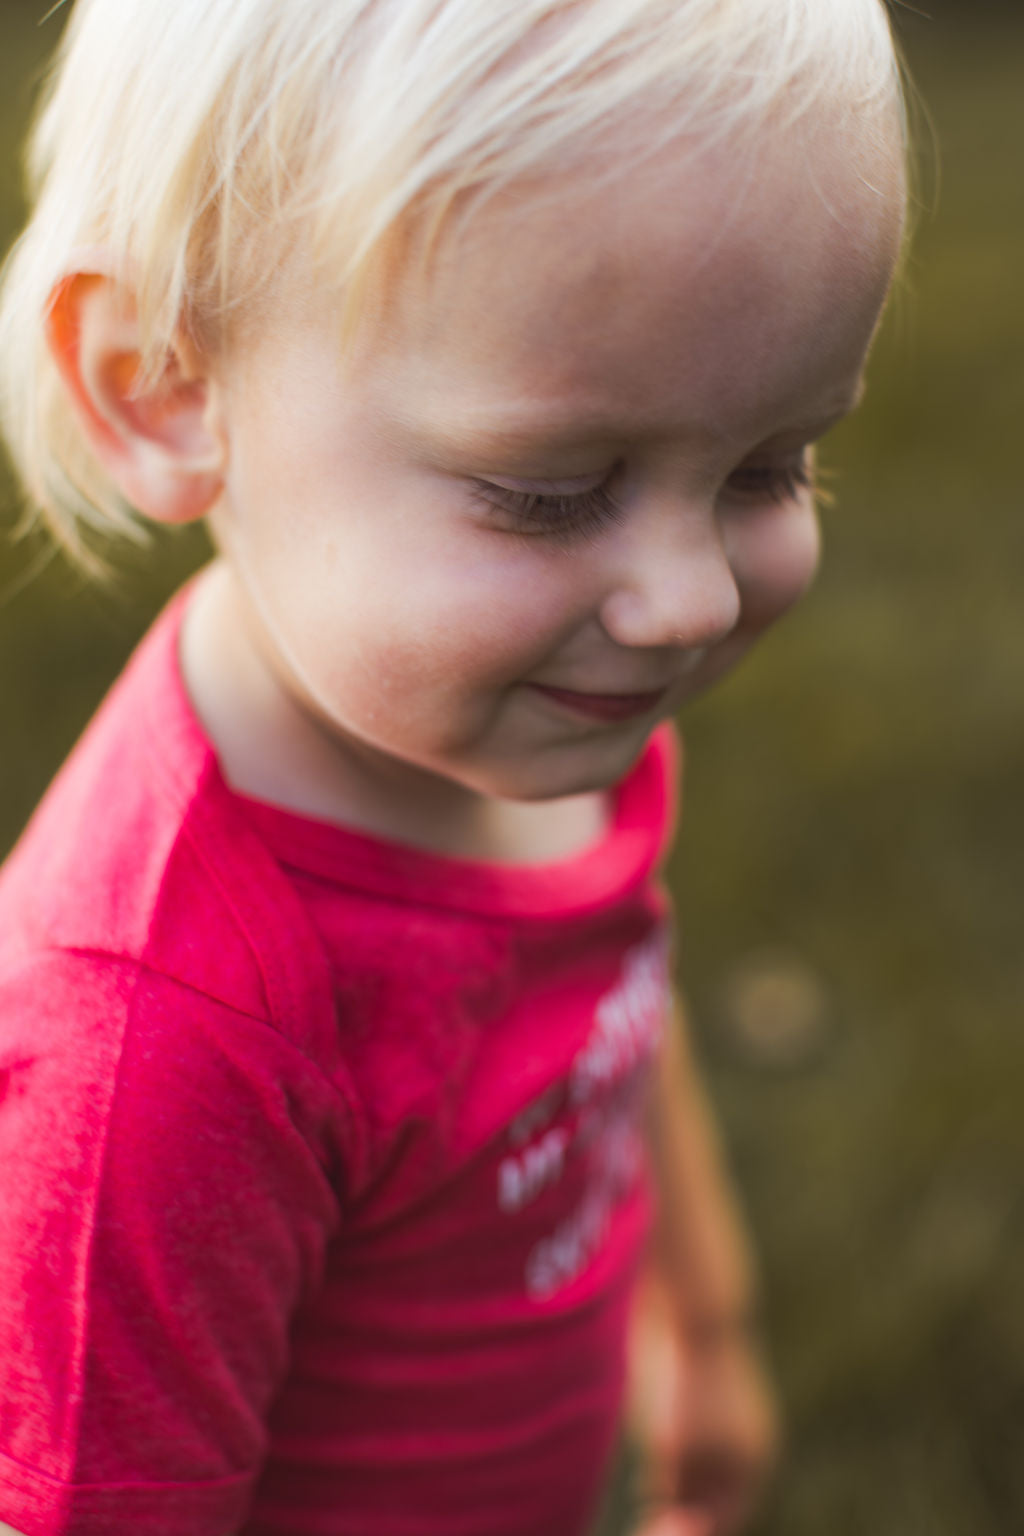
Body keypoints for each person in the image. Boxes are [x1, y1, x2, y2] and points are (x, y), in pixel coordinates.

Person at [0, 0, 906, 1532]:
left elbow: (606, 1008)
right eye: (551, 493)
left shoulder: (536, 724)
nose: (685, 601)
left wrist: (706, 1324)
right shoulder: (166, 1046)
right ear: (165, 385)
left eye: (771, 464)